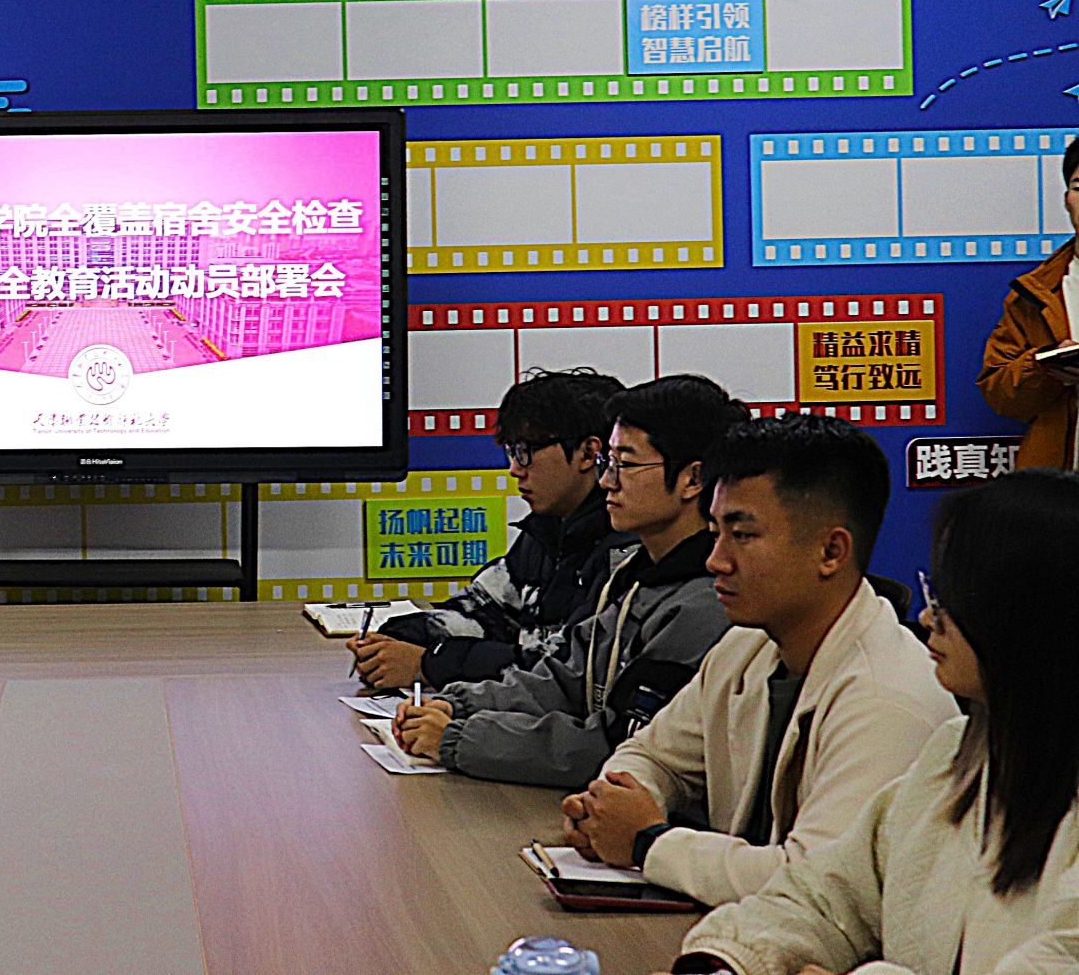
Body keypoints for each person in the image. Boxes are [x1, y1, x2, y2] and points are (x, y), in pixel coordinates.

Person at [657, 470, 1079, 975]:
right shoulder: (953, 758)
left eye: (952, 599)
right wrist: (729, 961)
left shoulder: (893, 694)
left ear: (1032, 616)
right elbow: (822, 898)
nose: (929, 617)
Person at [561, 413, 957, 906]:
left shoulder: (888, 698)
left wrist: (645, 842)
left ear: (831, 551)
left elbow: (815, 885)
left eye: (742, 536)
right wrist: (611, 806)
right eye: (715, 532)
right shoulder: (745, 647)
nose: (715, 560)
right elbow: (652, 755)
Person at [390, 374, 746, 788]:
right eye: (608, 464)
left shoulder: (704, 602)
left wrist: (460, 737)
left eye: (626, 465)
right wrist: (457, 706)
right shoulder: (637, 577)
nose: (608, 481)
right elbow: (564, 677)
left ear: (693, 479)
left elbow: (621, 745)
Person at [352, 367, 631, 692]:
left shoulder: (624, 552)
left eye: (525, 453)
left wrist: (429, 663)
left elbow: (564, 670)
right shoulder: (546, 531)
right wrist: (398, 639)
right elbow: (484, 610)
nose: (514, 469)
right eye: (511, 452)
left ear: (589, 452)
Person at [981, 135, 1079, 467]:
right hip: (1064, 483)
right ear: (1066, 200)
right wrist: (1045, 367)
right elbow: (1000, 394)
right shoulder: (1035, 292)